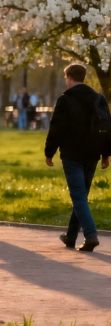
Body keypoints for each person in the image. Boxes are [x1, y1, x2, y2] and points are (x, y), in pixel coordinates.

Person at [45, 64, 110, 252]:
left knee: (78, 196)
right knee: (81, 195)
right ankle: (71, 237)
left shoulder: (65, 100)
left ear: (69, 77)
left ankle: (91, 235)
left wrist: (49, 152)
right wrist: (106, 154)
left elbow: (56, 128)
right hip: (92, 154)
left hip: (72, 154)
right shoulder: (98, 99)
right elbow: (106, 127)